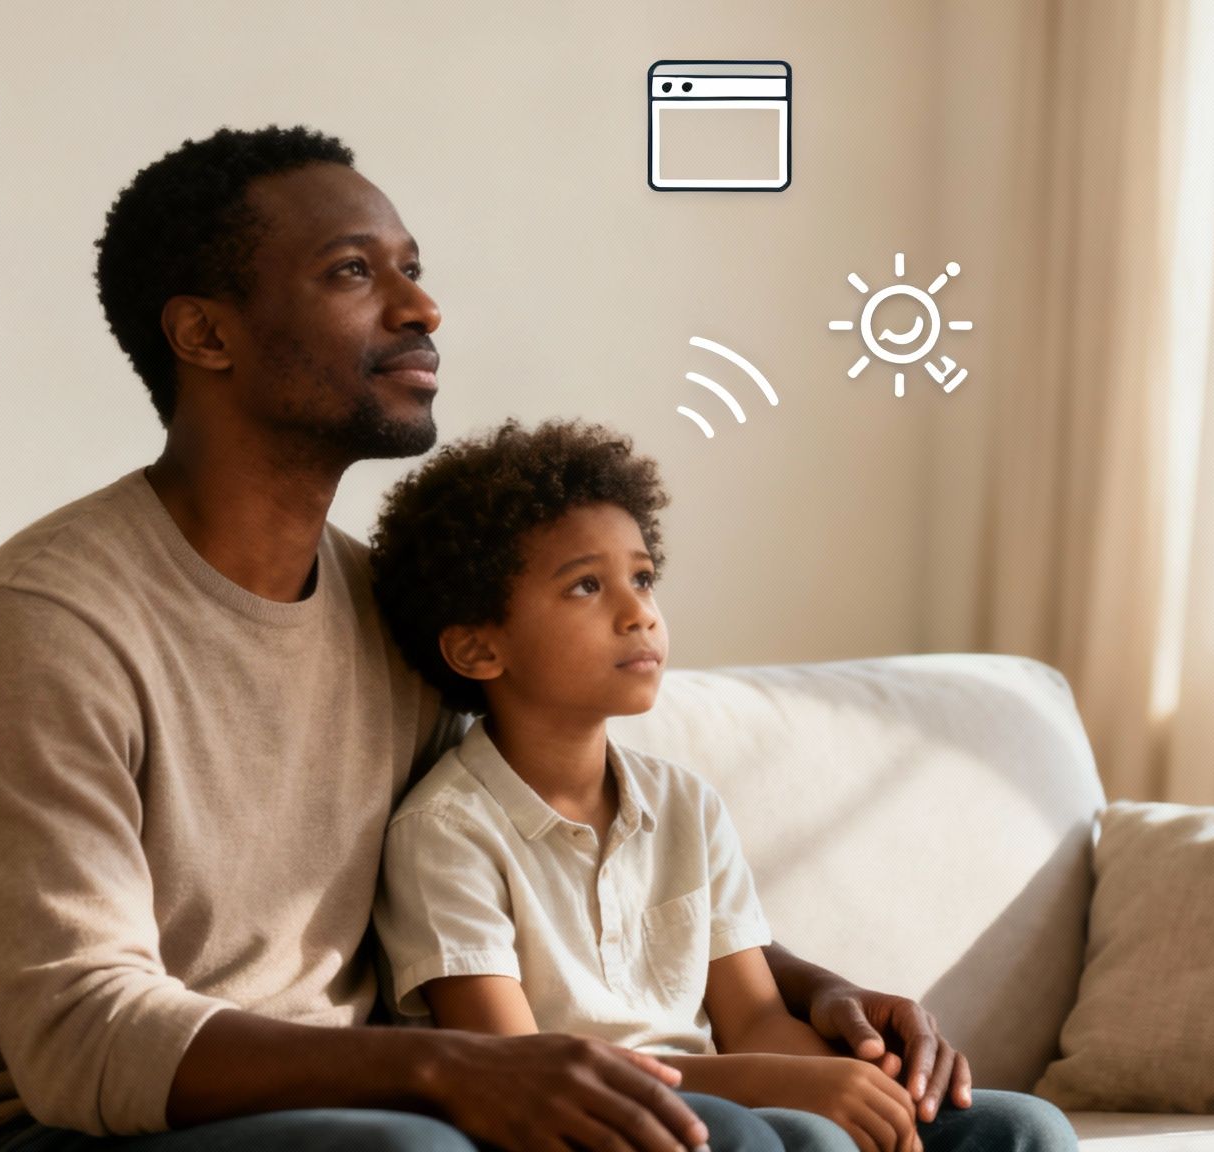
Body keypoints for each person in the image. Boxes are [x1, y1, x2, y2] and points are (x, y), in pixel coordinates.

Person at [0, 124, 992, 1152]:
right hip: (61, 1129)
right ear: (205, 333)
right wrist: (446, 1071)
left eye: (411, 267)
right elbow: (81, 1038)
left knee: (988, 1133)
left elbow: (525, 844)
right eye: (353, 272)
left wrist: (809, 994)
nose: (422, 308)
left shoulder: (388, 611)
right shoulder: (43, 629)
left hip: (376, 1098)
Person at [367, 420, 1079, 1152]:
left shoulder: (685, 804)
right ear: (479, 648)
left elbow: (758, 1021)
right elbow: (515, 1067)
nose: (639, 613)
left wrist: (874, 1083)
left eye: (642, 578)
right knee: (807, 1139)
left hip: (732, 1105)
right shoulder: (446, 832)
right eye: (586, 586)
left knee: (1022, 1127)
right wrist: (783, 1088)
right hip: (587, 1124)